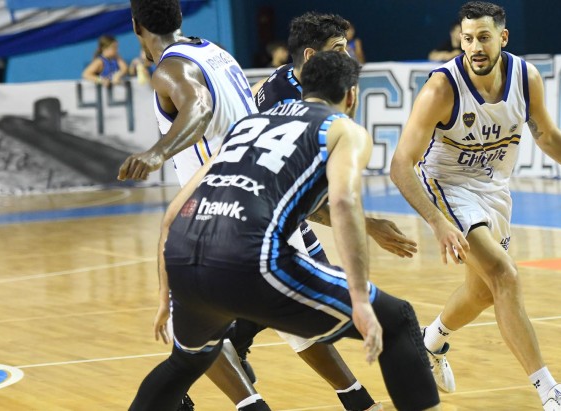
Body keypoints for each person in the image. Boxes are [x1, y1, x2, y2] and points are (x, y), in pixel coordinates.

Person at [128, 50, 441, 411]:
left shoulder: (248, 124)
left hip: (184, 256)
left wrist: (166, 298)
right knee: (396, 319)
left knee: (187, 361)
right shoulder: (342, 129)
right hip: (247, 257)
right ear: (352, 95)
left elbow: (173, 213)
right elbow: (343, 204)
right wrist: (359, 298)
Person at [390, 2, 561, 410]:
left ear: (503, 37)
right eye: (467, 39)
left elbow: (547, 136)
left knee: (483, 291)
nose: (475, 47)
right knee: (504, 275)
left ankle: (431, 341)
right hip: (448, 186)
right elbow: (400, 165)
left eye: (483, 38)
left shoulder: (525, 78)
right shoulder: (442, 89)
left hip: (495, 189)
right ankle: (552, 394)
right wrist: (438, 222)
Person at [240, 11, 419, 411]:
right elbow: (310, 196)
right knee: (318, 309)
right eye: (339, 49)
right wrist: (368, 225)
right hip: (268, 215)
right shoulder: (300, 104)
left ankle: (233, 341)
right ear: (310, 55)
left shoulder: (284, 80)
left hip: (264, 210)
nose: (348, 57)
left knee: (296, 304)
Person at [117, 0, 270, 409]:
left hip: (219, 206)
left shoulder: (169, 69)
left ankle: (247, 398)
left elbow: (198, 107)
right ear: (180, 18)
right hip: (263, 194)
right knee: (207, 322)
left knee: (186, 328)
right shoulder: (216, 52)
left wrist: (157, 152)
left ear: (136, 26)